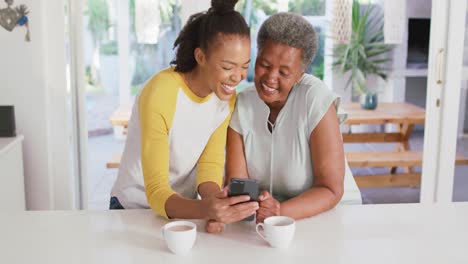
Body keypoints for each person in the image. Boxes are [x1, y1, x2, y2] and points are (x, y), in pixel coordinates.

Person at [110, 0, 258, 233]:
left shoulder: (226, 99)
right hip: (134, 207)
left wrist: (217, 201)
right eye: (228, 67)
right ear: (200, 56)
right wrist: (207, 209)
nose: (237, 77)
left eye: (244, 67)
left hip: (183, 209)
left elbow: (210, 166)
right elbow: (157, 191)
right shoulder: (162, 92)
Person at [226, 12, 362, 223]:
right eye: (265, 64)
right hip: (268, 221)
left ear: (301, 73)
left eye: (284, 72)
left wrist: (280, 211)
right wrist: (246, 208)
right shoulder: (243, 104)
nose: (271, 78)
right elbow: (239, 186)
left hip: (332, 217)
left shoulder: (315, 99)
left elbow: (330, 188)